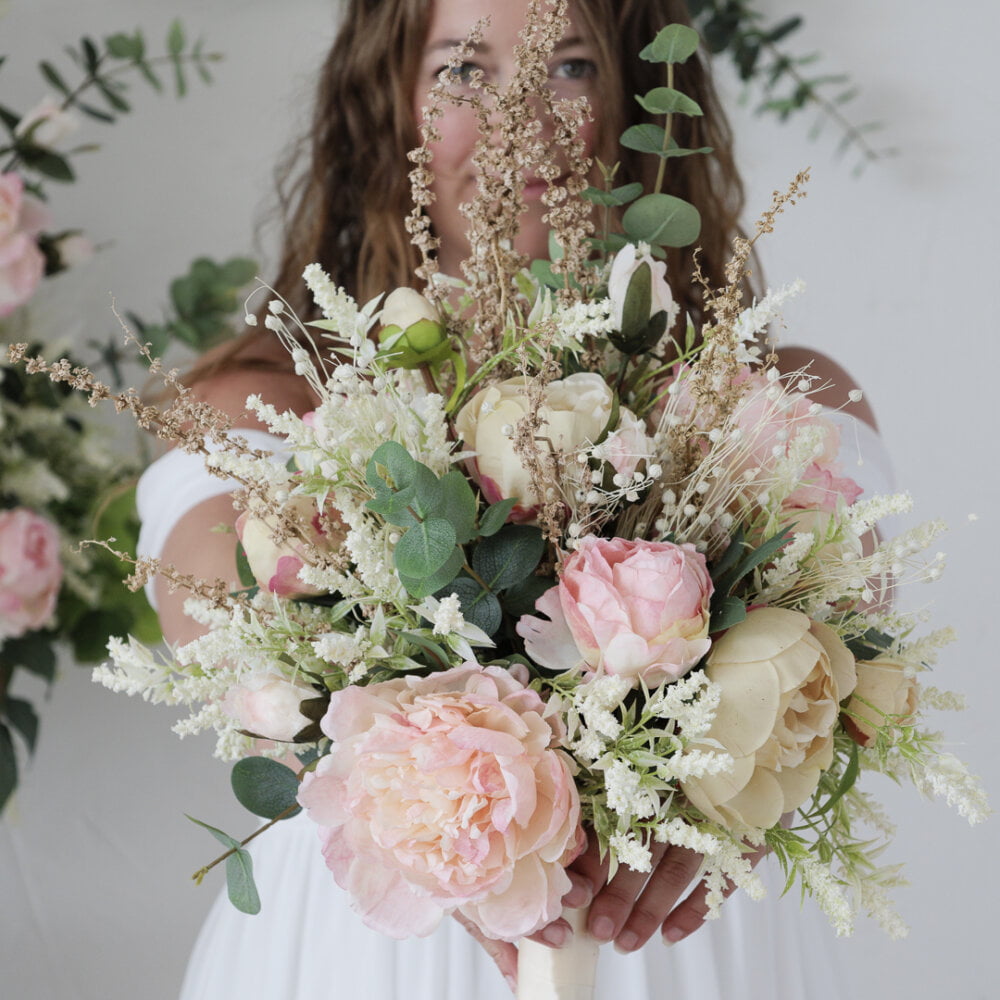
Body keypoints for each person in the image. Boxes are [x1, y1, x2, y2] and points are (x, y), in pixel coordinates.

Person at [138, 0, 892, 996]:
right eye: (460, 69)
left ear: (637, 101)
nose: (520, 118)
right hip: (361, 962)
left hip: (679, 951)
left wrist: (739, 792)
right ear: (386, 107)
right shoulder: (263, 406)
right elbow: (216, 604)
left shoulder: (787, 404)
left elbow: (851, 655)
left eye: (570, 67)